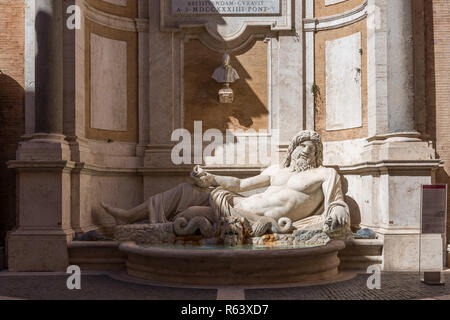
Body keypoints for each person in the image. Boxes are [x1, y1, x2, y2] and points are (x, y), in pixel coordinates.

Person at [102, 130, 350, 236]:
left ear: (317, 153)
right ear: (292, 150)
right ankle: (131, 217)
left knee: (190, 214)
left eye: (310, 147)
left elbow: (335, 201)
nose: (304, 151)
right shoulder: (276, 170)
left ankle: (148, 227)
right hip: (236, 204)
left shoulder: (324, 174)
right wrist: (211, 178)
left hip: (256, 221)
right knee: (189, 189)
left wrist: (338, 208)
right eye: (300, 146)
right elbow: (241, 185)